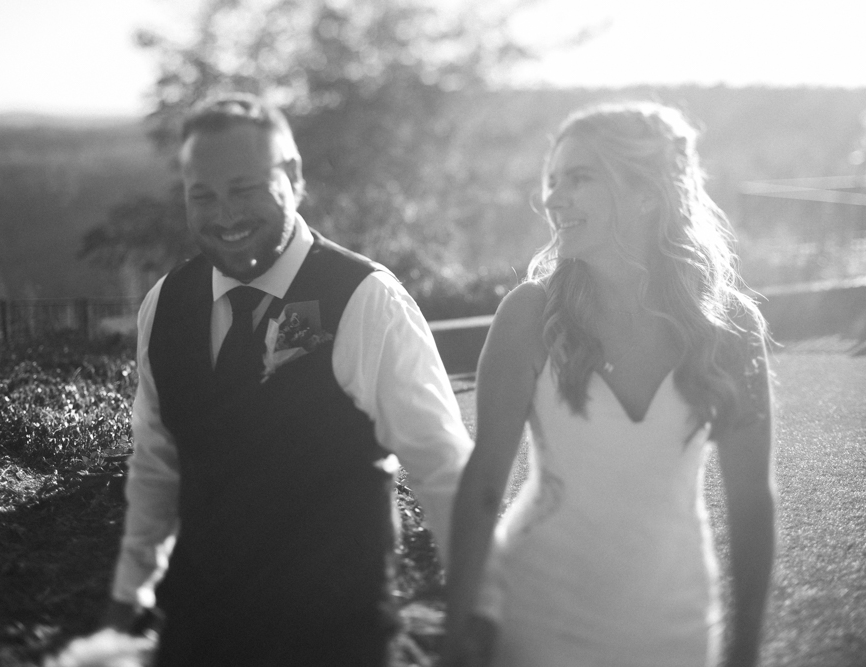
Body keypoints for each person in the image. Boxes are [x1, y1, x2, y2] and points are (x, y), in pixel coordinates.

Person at [103, 93, 472, 666]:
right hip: (199, 637)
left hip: (335, 640)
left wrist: (479, 612)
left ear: (294, 175)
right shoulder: (166, 304)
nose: (225, 215)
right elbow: (157, 464)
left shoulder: (365, 299)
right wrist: (130, 595)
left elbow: (443, 469)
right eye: (203, 195)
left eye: (244, 188)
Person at [442, 101, 776, 667]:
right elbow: (484, 484)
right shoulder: (529, 314)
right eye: (552, 181)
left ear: (646, 192)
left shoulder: (730, 326)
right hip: (536, 617)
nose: (553, 198)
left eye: (578, 178)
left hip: (677, 622)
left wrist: (745, 648)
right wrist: (453, 637)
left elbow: (751, 500)